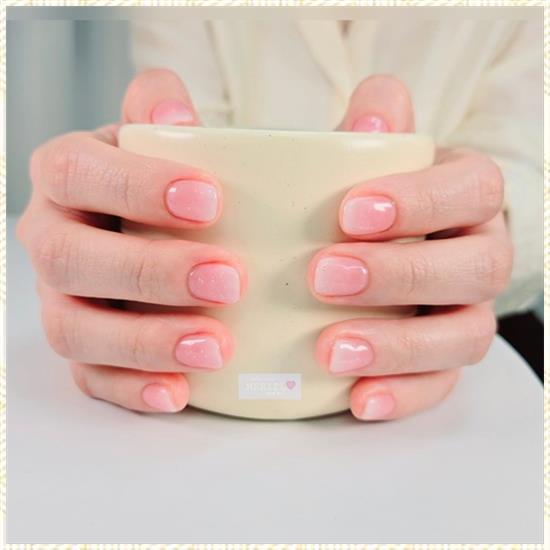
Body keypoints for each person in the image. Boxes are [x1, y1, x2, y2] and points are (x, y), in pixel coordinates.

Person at [17, 18, 541, 419]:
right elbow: (180, 142)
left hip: (464, 342)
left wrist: (476, 234)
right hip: (189, 404)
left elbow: (532, 167)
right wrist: (104, 217)